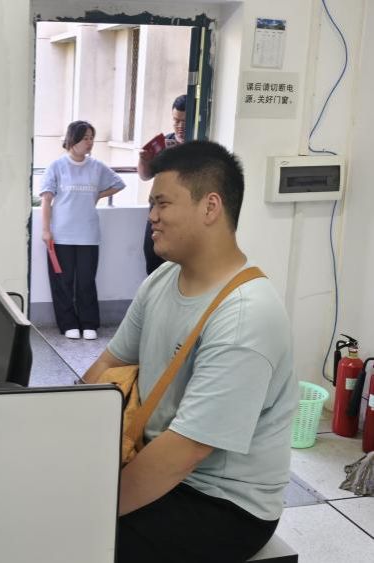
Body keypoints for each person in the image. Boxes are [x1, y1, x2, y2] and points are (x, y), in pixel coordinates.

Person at [83, 141, 296, 562]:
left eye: (162, 203)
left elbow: (186, 451)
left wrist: (90, 512)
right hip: (155, 459)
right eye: (151, 204)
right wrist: (64, 428)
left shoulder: (246, 315)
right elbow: (110, 362)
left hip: (222, 503)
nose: (152, 216)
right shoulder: (162, 280)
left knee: (73, 545)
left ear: (210, 206)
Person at [40, 120, 124, 340]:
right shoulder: (57, 166)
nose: (89, 142)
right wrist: (46, 230)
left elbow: (118, 183)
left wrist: (98, 195)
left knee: (86, 281)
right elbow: (46, 200)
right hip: (61, 235)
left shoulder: (96, 166)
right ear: (73, 139)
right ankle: (68, 323)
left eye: (91, 138)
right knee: (63, 281)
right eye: (85, 138)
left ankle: (89, 323)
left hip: (88, 234)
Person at [138, 94, 187, 274]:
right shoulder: (164, 142)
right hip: (157, 210)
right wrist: (144, 160)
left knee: (177, 264)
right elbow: (145, 175)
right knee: (152, 257)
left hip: (182, 213)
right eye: (176, 121)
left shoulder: (198, 147)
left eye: (184, 121)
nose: (179, 126)